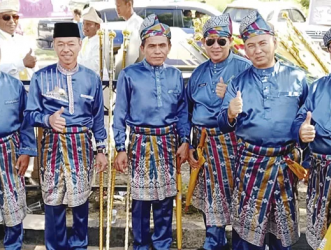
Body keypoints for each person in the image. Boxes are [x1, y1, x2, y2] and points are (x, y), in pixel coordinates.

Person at [218, 10, 309, 249]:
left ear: (274, 42)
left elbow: (308, 120)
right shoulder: (238, 82)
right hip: (250, 165)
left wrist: (306, 155)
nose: (257, 50)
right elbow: (221, 123)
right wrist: (230, 112)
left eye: (262, 43)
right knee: (247, 235)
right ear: (244, 50)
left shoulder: (298, 78)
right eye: (251, 45)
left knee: (282, 234)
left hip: (284, 165)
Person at [24, 22, 107, 250]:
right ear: (53, 46)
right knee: (53, 203)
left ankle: (79, 245)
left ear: (80, 44)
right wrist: (47, 120)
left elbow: (98, 118)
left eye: (71, 43)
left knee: (80, 203)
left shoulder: (91, 79)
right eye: (60, 44)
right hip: (52, 145)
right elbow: (29, 114)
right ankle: (55, 246)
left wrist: (101, 150)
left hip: (81, 145)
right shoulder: (41, 77)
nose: (66, 49)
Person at [113, 14, 190, 250]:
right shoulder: (129, 75)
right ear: (143, 47)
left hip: (168, 143)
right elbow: (120, 114)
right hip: (139, 143)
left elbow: (182, 113)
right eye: (152, 46)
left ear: (168, 47)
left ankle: (163, 244)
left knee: (165, 200)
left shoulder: (176, 76)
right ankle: (141, 245)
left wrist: (185, 140)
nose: (157, 51)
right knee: (140, 202)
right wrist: (119, 147)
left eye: (162, 45)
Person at [186, 13, 251, 250]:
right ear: (203, 43)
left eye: (221, 41)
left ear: (231, 41)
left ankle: (242, 244)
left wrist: (229, 99)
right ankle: (214, 241)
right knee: (212, 197)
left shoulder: (244, 68)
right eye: (210, 41)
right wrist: (190, 143)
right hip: (205, 143)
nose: (215, 46)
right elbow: (188, 111)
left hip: (234, 143)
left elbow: (255, 109)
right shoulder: (198, 72)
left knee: (238, 195)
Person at [292, 14, 331, 250]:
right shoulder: (319, 86)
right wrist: (301, 131)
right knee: (322, 237)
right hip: (319, 173)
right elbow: (300, 118)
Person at [0, 49, 37, 250]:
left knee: (12, 198)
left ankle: (13, 245)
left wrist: (26, 151)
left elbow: (26, 122)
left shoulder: (14, 85)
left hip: (9, 149)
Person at [0, 0, 37, 80]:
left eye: (15, 17)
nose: (12, 21)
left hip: (28, 89)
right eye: (6, 17)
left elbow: (34, 70)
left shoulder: (23, 40)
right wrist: (22, 63)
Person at [114, 0, 143, 77]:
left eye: (118, 6)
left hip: (135, 72)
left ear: (128, 4)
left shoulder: (138, 24)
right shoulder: (128, 23)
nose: (116, 9)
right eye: (116, 6)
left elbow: (136, 54)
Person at [78, 6, 108, 79]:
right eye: (84, 24)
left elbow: (95, 65)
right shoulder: (85, 40)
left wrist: (76, 65)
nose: (84, 27)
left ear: (98, 26)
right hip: (84, 77)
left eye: (88, 24)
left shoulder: (101, 41)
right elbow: (78, 57)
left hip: (98, 80)